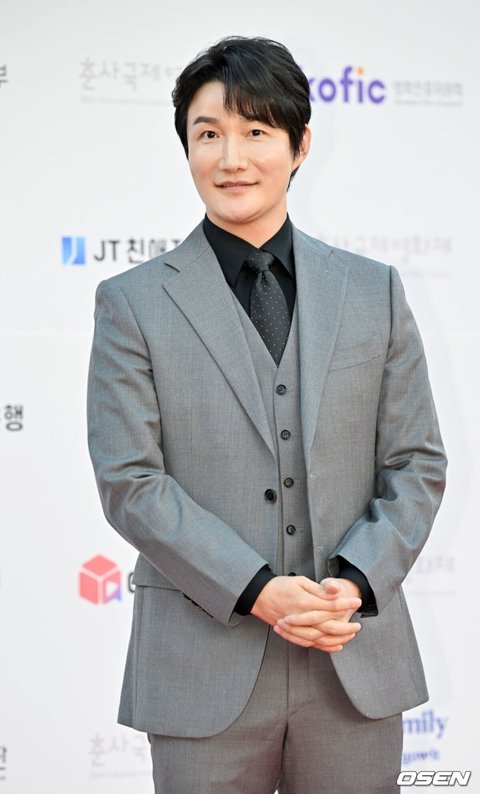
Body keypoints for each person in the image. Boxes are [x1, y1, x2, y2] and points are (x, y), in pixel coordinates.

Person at [87, 35, 447, 794]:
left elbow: (415, 461)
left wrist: (354, 582)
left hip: (350, 655)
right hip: (200, 666)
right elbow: (130, 482)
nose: (231, 159)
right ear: (186, 147)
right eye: (208, 134)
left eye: (256, 131)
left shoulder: (373, 291)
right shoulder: (132, 303)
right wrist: (255, 589)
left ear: (299, 144)